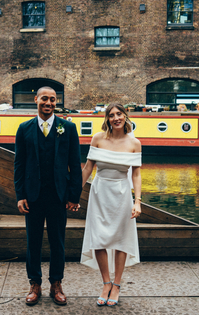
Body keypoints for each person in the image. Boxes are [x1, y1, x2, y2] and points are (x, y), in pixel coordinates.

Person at [14, 86, 83, 306]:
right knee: (32, 242)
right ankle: (35, 284)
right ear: (36, 99)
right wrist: (20, 195)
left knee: (58, 242)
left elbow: (75, 165)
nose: (49, 103)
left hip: (58, 196)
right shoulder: (24, 128)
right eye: (45, 98)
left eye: (53, 100)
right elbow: (19, 165)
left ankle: (56, 284)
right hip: (33, 196)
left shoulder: (68, 128)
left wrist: (73, 196)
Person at [80, 103, 142, 307]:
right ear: (106, 119)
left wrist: (137, 201)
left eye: (119, 114)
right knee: (99, 238)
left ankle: (117, 285)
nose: (116, 118)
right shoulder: (98, 138)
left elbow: (136, 173)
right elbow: (88, 168)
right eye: (111, 115)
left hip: (122, 193)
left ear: (125, 116)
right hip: (99, 192)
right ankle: (105, 283)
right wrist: (74, 194)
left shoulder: (134, 143)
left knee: (121, 239)